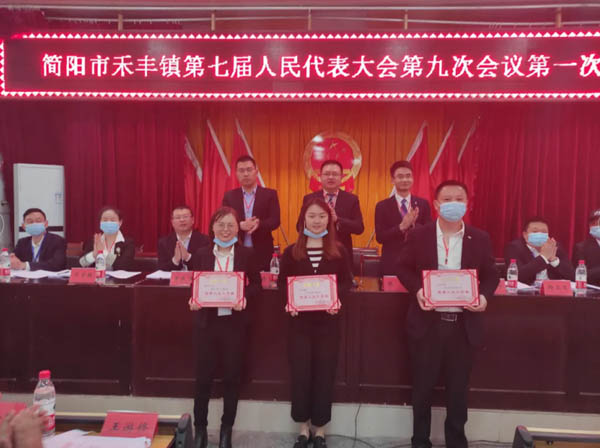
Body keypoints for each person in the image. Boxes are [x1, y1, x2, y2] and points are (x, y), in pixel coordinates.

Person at [397, 180, 499, 448]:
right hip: (427, 324)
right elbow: (403, 268)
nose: (453, 204)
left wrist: (484, 297)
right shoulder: (419, 235)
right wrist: (418, 290)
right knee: (422, 389)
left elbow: (491, 274)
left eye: (459, 199)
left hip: (463, 326)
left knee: (458, 391)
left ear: (467, 204)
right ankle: (420, 441)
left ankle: (456, 441)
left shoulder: (480, 237)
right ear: (436, 204)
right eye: (447, 199)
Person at [280, 198, 353, 448]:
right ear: (303, 219)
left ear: (329, 220)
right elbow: (282, 284)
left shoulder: (339, 251)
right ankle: (303, 428)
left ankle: (320, 430)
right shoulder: (291, 251)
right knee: (301, 375)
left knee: (324, 375)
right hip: (299, 325)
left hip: (328, 325)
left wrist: (337, 299)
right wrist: (289, 302)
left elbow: (347, 282)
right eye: (311, 216)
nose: (317, 220)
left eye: (322, 216)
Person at [188, 206, 261, 448]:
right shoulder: (201, 254)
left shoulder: (247, 254)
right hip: (207, 325)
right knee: (203, 380)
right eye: (220, 225)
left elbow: (256, 285)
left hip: (234, 325)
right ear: (212, 227)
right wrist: (193, 299)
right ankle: (200, 430)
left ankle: (226, 430)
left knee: (231, 378)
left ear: (238, 228)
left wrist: (244, 297)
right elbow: (195, 283)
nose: (226, 229)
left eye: (230, 225)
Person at [296, 160, 364, 269]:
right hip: (315, 251)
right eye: (327, 174)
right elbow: (299, 226)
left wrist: (338, 220)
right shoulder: (309, 198)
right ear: (320, 177)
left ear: (341, 177)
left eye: (335, 174)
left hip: (342, 254)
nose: (331, 177)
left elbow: (359, 227)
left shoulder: (351, 199)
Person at [222, 156, 281, 272]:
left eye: (249, 170)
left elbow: (275, 221)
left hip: (262, 250)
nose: (245, 174)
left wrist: (259, 224)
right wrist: (239, 225)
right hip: (236, 250)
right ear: (236, 174)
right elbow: (223, 220)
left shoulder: (270, 194)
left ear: (256, 172)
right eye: (241, 170)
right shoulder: (229, 196)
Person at [375, 160, 432, 275]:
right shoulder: (382, 206)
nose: (405, 180)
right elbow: (380, 237)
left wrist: (413, 225)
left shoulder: (423, 204)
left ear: (413, 178)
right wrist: (401, 227)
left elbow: (429, 233)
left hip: (416, 261)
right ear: (392, 180)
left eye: (408, 176)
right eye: (400, 176)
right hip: (391, 262)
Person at [504, 217, 574, 286]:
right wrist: (543, 257)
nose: (539, 235)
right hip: (527, 291)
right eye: (535, 232)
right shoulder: (514, 247)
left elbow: (572, 276)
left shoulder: (555, 247)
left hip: (552, 290)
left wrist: (553, 260)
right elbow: (518, 276)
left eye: (544, 232)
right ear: (525, 235)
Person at [79, 206, 135, 271]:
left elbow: (124, 266)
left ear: (120, 222)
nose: (109, 223)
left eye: (112, 220)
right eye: (105, 220)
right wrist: (94, 254)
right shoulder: (95, 241)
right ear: (100, 222)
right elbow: (81, 264)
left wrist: (103, 252)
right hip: (98, 276)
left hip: (118, 277)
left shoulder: (128, 243)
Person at [157, 205, 210, 271]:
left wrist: (188, 257)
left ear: (193, 220)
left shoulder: (205, 240)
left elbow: (206, 266)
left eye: (185, 217)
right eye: (178, 217)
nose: (182, 220)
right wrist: (175, 260)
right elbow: (162, 267)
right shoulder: (164, 242)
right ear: (172, 222)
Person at [573, 208, 600, 286]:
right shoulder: (581, 248)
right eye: (593, 224)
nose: (597, 226)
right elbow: (580, 275)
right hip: (594, 290)